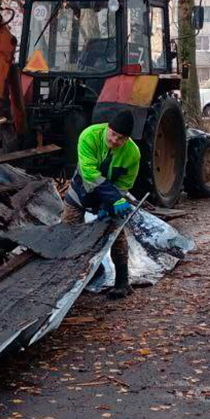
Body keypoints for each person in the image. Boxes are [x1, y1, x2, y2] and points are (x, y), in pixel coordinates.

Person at [62, 110, 140, 300]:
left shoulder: (133, 154)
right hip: (82, 190)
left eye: (120, 139)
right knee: (68, 230)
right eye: (112, 134)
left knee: (116, 233)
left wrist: (111, 204)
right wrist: (115, 199)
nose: (114, 141)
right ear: (107, 128)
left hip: (110, 194)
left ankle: (122, 282)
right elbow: (90, 174)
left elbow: (124, 185)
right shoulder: (89, 136)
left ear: (127, 139)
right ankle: (77, 276)